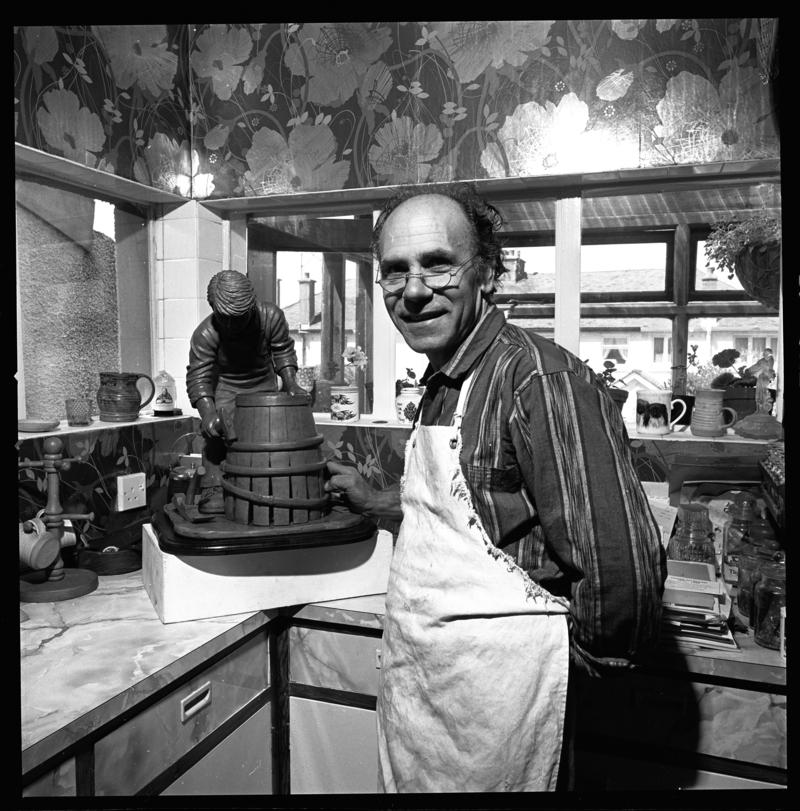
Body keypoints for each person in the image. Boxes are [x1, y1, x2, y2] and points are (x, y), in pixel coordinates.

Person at [324, 184, 667, 793]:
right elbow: (470, 517)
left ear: (484, 274)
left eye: (437, 264)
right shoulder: (444, 379)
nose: (413, 290)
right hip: (427, 689)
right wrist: (381, 504)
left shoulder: (539, 378)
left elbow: (622, 573)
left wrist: (556, 671)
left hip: (504, 701)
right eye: (394, 271)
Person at [186, 269, 307, 513]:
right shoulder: (205, 333)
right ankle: (215, 487)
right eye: (226, 318)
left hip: (264, 385)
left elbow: (283, 351)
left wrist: (291, 383)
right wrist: (208, 413)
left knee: (270, 436)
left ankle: (270, 486)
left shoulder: (270, 316)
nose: (233, 325)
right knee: (217, 435)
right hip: (227, 389)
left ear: (252, 305)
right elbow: (199, 377)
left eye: (240, 318)